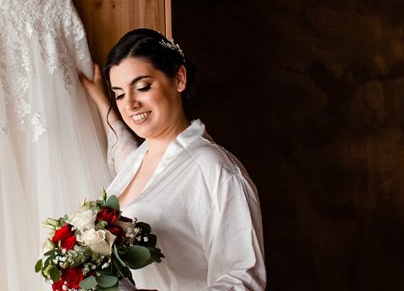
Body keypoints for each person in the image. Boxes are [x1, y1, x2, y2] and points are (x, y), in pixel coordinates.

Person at [79, 28, 266, 290]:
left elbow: (244, 278)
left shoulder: (213, 168)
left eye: (142, 87)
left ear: (179, 78)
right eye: (119, 93)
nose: (130, 103)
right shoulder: (136, 160)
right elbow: (121, 146)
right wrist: (102, 101)